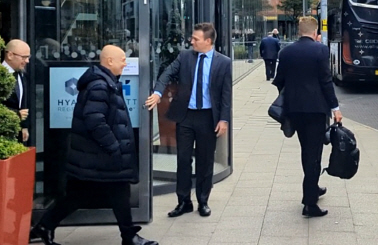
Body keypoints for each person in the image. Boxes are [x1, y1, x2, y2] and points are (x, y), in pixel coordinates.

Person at [31, 45, 158, 245]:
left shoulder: (105, 82)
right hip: (100, 156)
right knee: (112, 192)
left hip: (96, 156)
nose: (126, 63)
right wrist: (113, 146)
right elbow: (95, 120)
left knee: (86, 195)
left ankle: (45, 226)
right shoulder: (100, 85)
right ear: (109, 61)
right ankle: (129, 237)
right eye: (122, 59)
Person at [145, 22, 232, 218]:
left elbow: (226, 94)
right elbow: (166, 73)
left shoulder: (223, 62)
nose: (191, 41)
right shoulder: (185, 57)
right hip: (185, 116)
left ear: (208, 41)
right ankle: (183, 202)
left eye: (196, 39)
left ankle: (203, 201)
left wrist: (224, 120)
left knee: (205, 161)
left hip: (208, 118)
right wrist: (158, 92)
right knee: (183, 160)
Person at [272, 16, 342, 217]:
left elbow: (279, 80)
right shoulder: (320, 50)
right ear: (315, 32)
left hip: (294, 110)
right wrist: (335, 108)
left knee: (307, 151)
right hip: (316, 111)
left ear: (298, 31)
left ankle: (313, 188)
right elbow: (326, 81)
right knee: (314, 154)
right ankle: (310, 204)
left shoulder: (286, 52)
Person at [1, 39, 31, 144]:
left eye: (28, 57)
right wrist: (15, 115)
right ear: (10, 55)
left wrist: (24, 126)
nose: (27, 61)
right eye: (24, 57)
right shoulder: (2, 76)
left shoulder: (22, 75)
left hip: (17, 134)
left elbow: (23, 103)